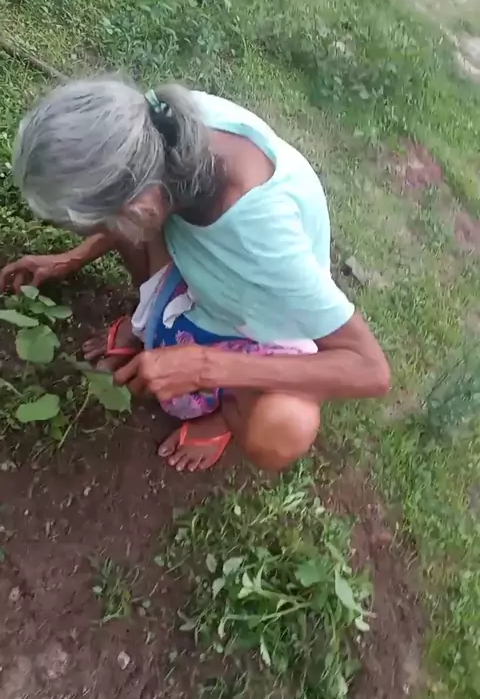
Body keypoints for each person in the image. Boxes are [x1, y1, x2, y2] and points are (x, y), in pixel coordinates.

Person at [0, 77, 390, 472]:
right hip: (209, 280)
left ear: (139, 203)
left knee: (285, 426)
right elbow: (124, 202)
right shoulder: (153, 123)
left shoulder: (263, 231)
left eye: (90, 224)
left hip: (253, 323)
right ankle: (150, 326)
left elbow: (371, 369)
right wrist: (69, 259)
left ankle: (222, 417)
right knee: (132, 225)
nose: (94, 231)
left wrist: (204, 365)